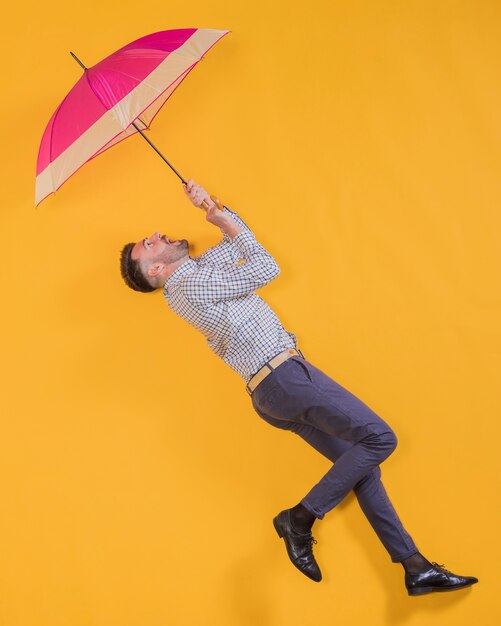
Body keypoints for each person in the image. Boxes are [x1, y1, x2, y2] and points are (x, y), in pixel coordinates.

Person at [119, 179, 478, 595]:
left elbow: (239, 246)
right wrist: (224, 222)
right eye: (148, 245)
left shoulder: (193, 280)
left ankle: (414, 567)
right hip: (284, 377)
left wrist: (215, 213)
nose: (156, 235)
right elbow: (266, 266)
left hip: (270, 394)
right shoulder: (191, 284)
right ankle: (300, 518)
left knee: (362, 469)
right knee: (380, 438)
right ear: (156, 270)